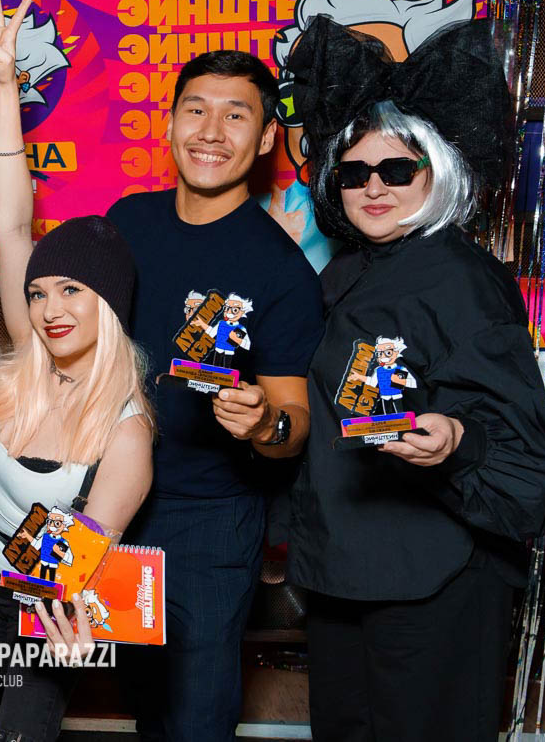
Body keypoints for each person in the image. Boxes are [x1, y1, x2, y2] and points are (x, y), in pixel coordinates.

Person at [285, 15, 545, 741]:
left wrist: (456, 441)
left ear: (437, 171)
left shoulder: (459, 278)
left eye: (396, 170)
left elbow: (534, 462)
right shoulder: (346, 274)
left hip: (433, 582)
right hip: (343, 578)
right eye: (354, 173)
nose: (372, 187)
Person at [0, 0, 155, 742]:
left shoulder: (126, 433)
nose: (48, 308)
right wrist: (4, 88)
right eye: (38, 292)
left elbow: (82, 559)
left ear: (109, 305)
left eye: (72, 291)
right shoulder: (25, 352)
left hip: (43, 611)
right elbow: (10, 223)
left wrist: (74, 625)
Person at [105, 47, 325, 740]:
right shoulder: (126, 223)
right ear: (170, 123)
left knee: (196, 716)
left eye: (236, 116)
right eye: (196, 110)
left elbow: (295, 423)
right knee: (142, 704)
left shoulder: (280, 268)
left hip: (208, 519)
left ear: (265, 139)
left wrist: (263, 424)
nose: (210, 131)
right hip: (109, 502)